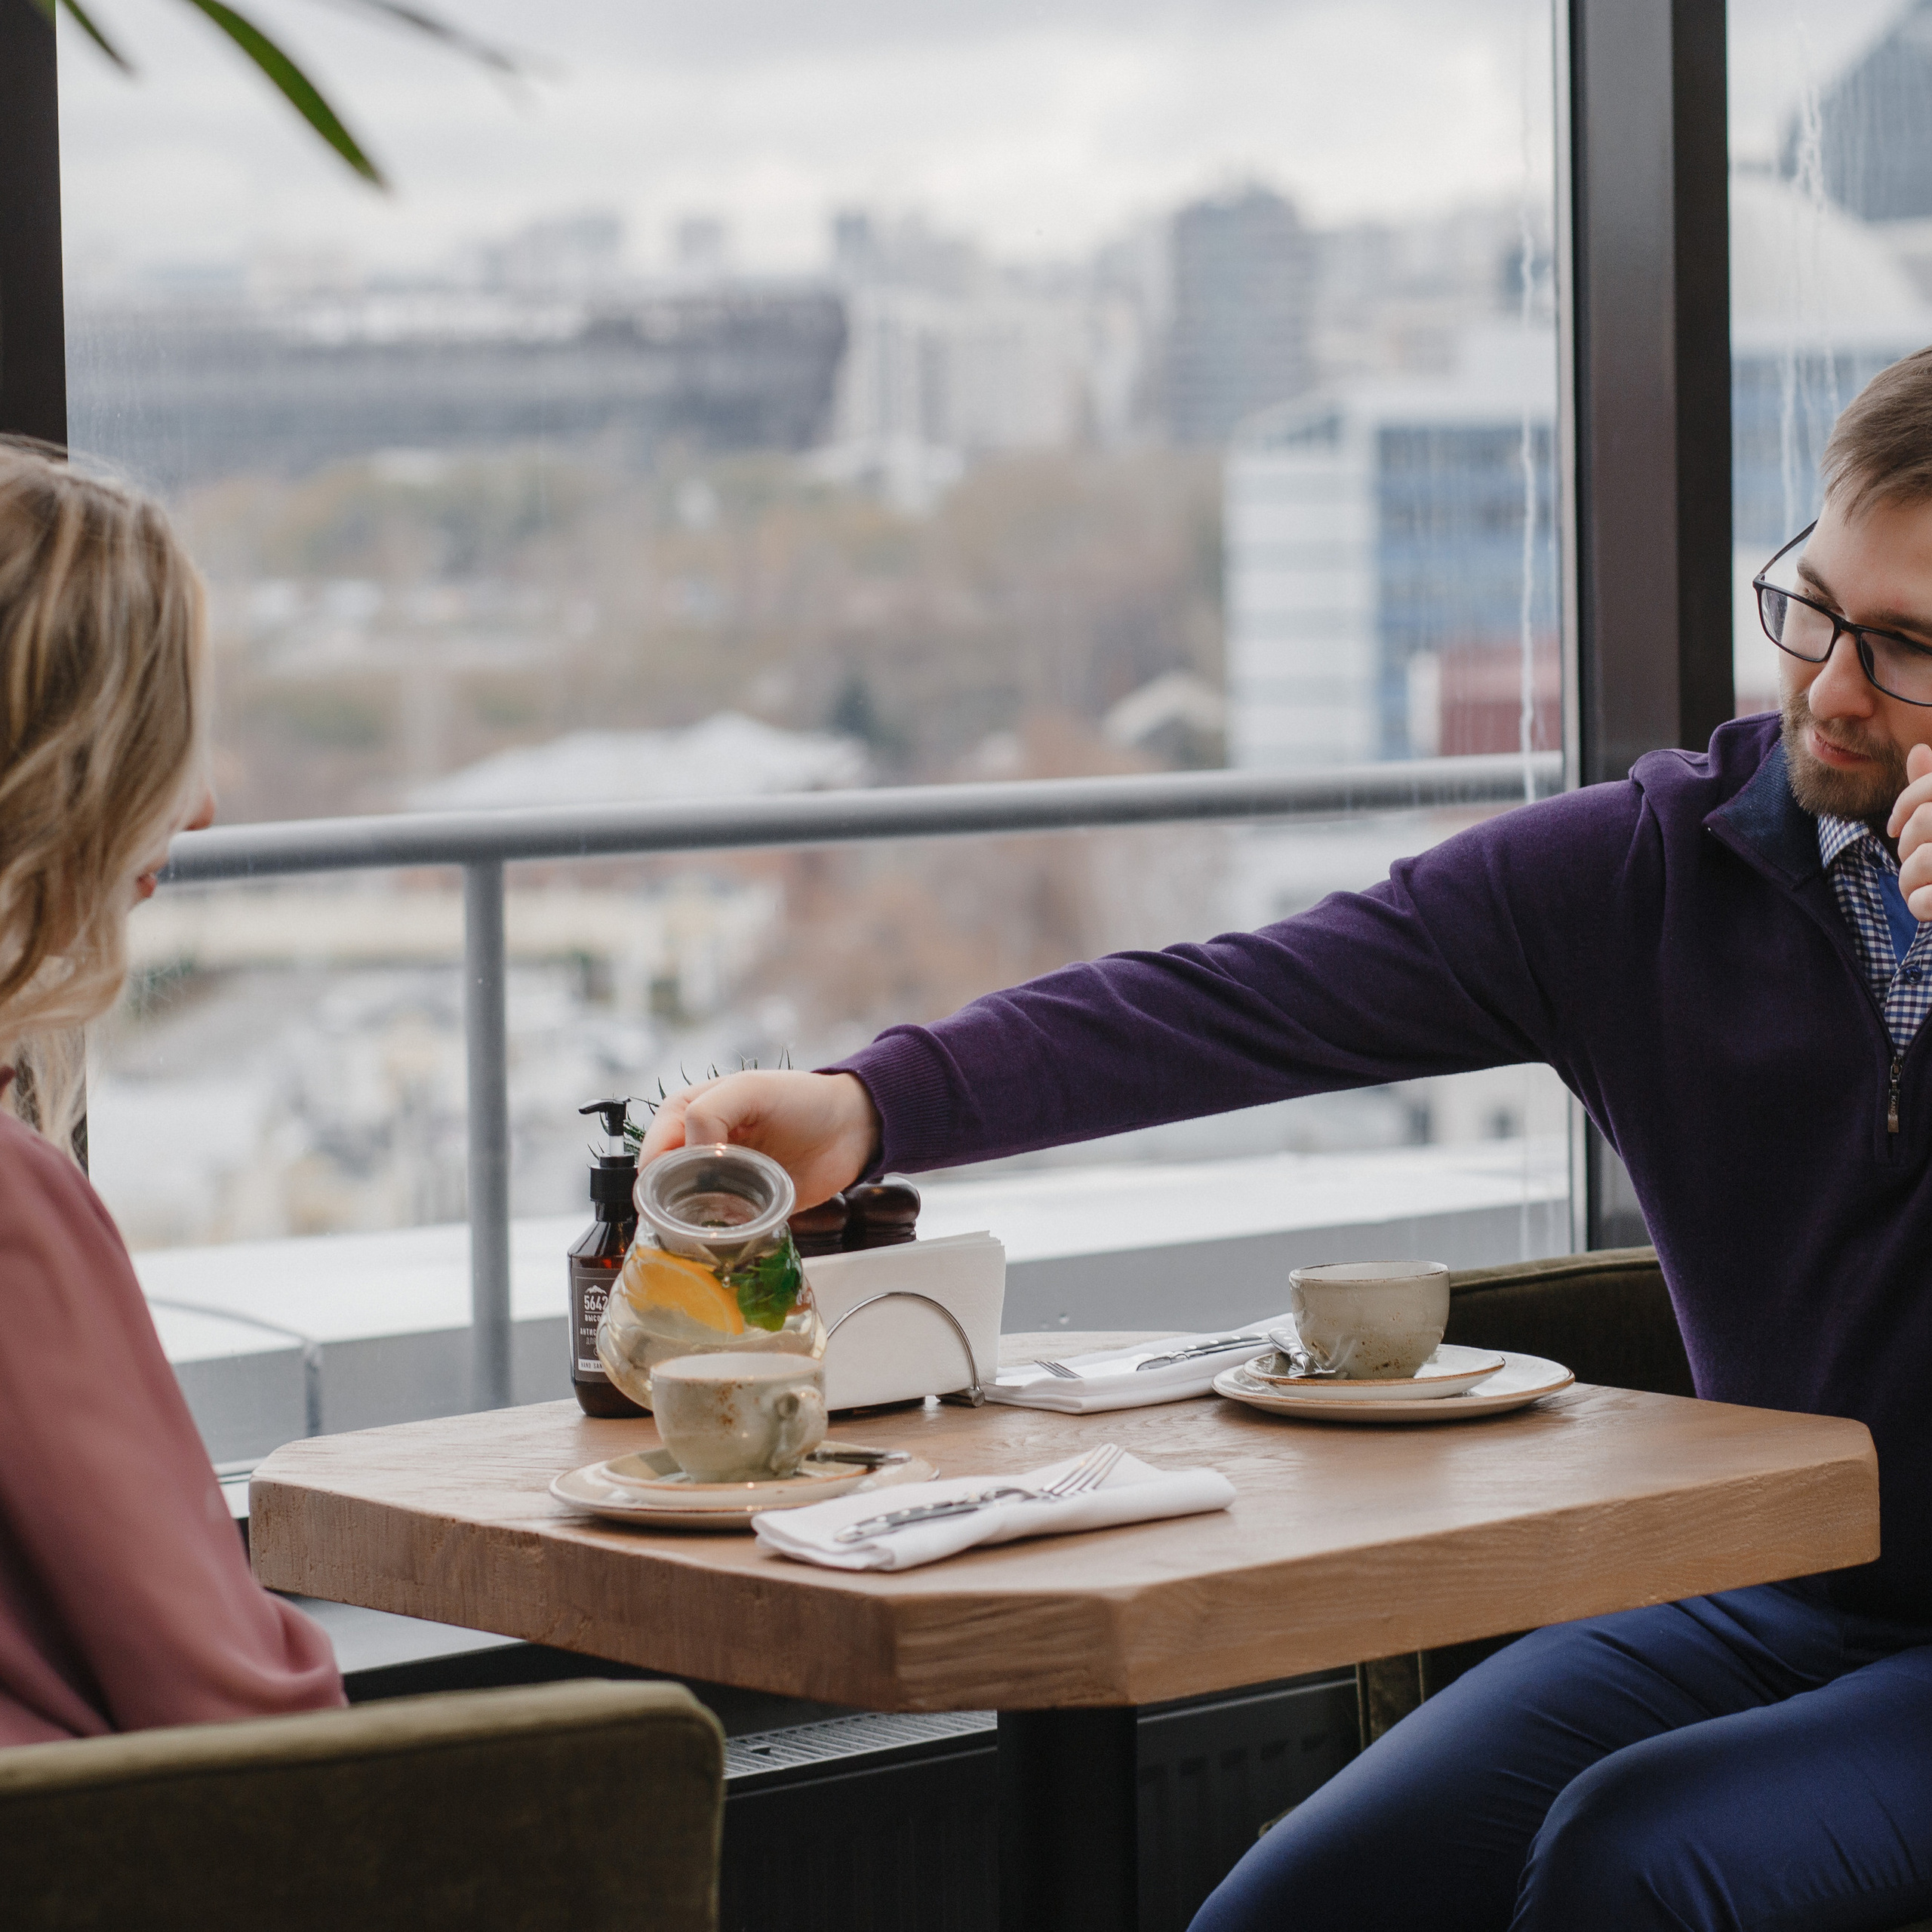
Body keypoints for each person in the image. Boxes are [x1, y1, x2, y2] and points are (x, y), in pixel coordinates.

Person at [639, 347, 1932, 1931]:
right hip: (1773, 1597)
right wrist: (873, 1101)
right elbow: (1238, 1000)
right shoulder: (1647, 875)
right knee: (1293, 1905)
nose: (1826, 686)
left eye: (1906, 646)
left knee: (1632, 1865)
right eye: (1811, 606)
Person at [0, 441, 342, 1745]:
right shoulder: (13, 1202)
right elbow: (241, 1714)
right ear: (52, 783)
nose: (199, 809)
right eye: (163, 743)